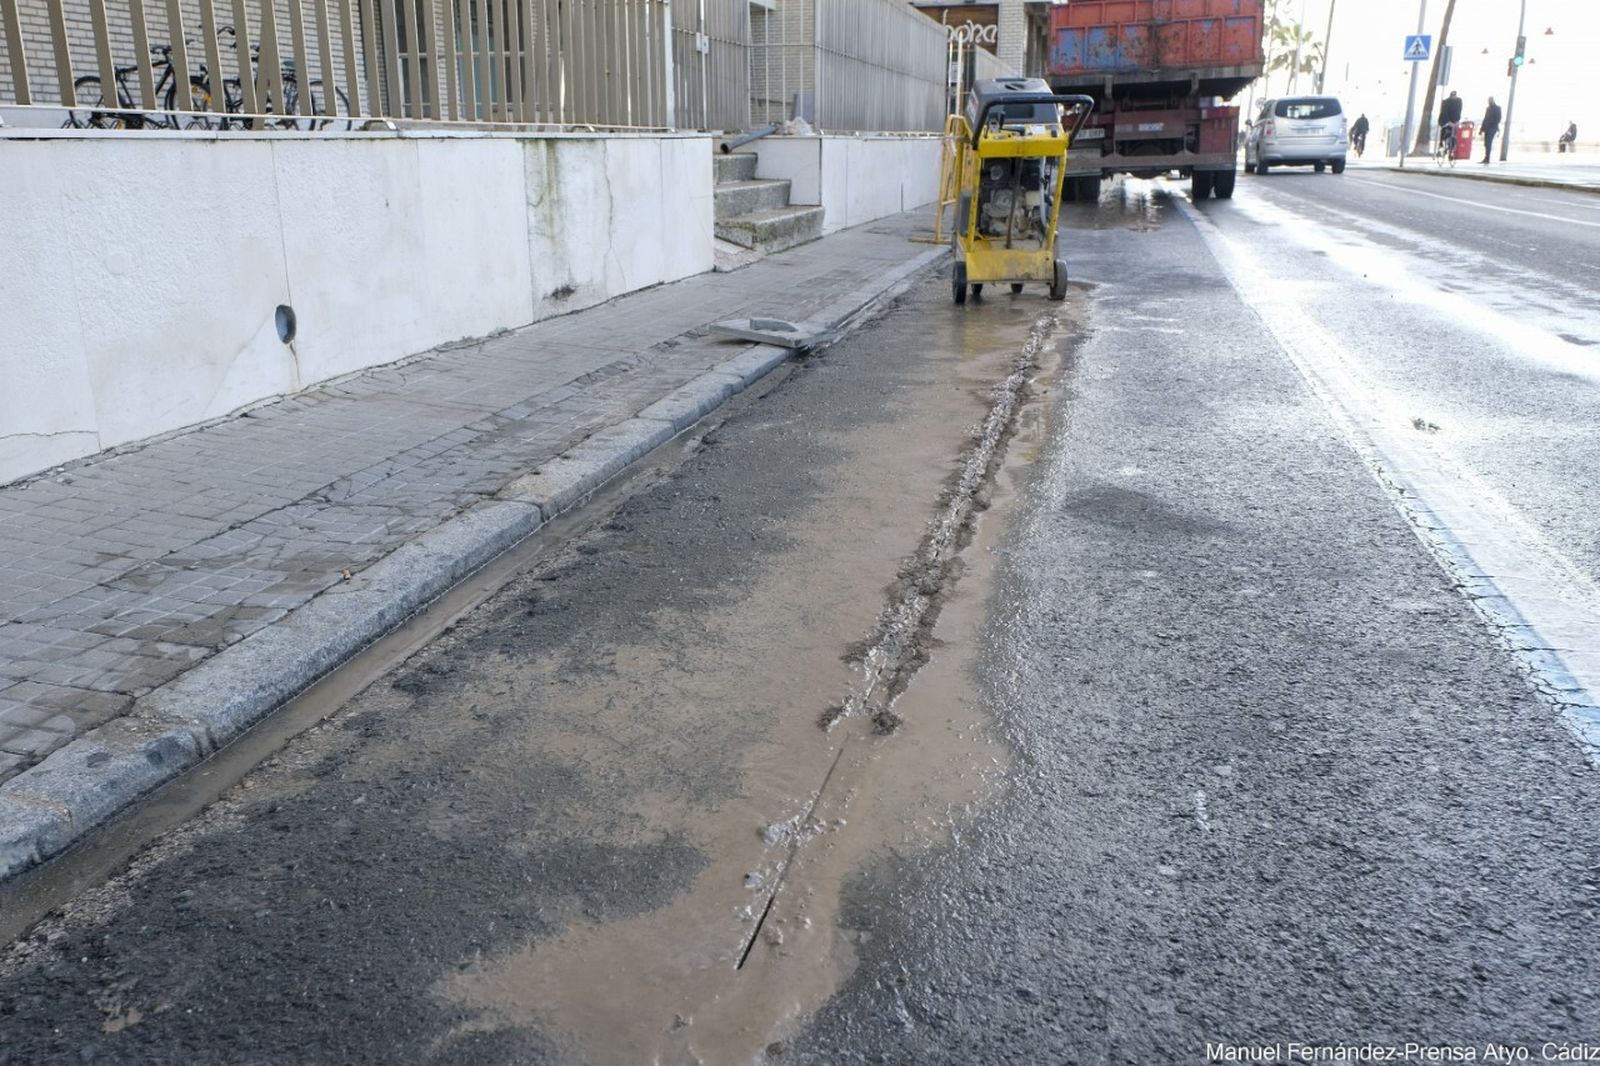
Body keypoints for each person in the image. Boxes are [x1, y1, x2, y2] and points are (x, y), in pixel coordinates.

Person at [1481, 96, 1502, 163]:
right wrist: (1482, 129)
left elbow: (1498, 118)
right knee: (1486, 143)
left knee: (1488, 142)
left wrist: (1493, 124)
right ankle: (1486, 157)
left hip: (1492, 127)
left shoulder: (1497, 108)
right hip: (1487, 128)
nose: (1489, 102)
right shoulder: (1488, 108)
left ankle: (1487, 158)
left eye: (1490, 100)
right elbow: (1485, 118)